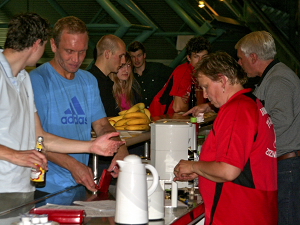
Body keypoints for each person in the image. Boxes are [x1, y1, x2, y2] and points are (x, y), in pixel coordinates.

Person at [0, 13, 124, 195]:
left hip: (22, 186)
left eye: (82, 52)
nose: (76, 58)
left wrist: (93, 147)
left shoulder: (24, 78)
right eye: (70, 51)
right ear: (40, 44)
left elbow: (40, 137)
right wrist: (15, 155)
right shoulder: (33, 78)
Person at [174, 52, 278, 225]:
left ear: (222, 80)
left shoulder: (237, 109)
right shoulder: (252, 103)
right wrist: (201, 170)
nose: (205, 95)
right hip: (256, 209)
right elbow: (246, 166)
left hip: (238, 212)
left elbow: (228, 170)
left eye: (206, 86)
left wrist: (192, 165)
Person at [234, 31, 300, 225]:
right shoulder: (272, 77)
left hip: (288, 167)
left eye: (240, 58)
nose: (239, 63)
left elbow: (281, 119)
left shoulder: (279, 80)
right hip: (283, 165)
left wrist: (251, 141)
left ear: (253, 57)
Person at [149, 36, 211, 117]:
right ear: (189, 58)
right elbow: (178, 107)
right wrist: (190, 103)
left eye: (204, 57)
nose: (200, 61)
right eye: (196, 57)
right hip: (161, 117)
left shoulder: (206, 73)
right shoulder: (184, 72)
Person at [88, 34, 127, 117]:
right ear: (107, 54)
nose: (123, 61)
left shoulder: (107, 82)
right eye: (121, 56)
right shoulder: (89, 82)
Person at [128, 41, 174, 108]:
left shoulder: (157, 68)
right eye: (133, 57)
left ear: (144, 55)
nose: (136, 60)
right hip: (140, 115)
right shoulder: (128, 76)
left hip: (159, 113)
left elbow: (176, 76)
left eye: (139, 55)